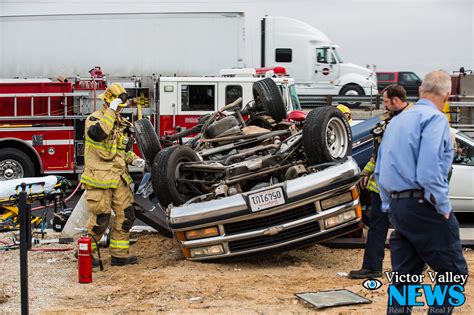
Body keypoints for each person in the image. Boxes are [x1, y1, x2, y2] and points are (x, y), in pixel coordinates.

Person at [375, 71, 468, 315]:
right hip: (424, 204)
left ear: (421, 91)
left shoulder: (397, 122)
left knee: (405, 278)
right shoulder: (435, 120)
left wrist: (390, 206)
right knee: (453, 274)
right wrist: (444, 208)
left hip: (399, 207)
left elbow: (380, 169)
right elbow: (429, 172)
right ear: (447, 95)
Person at [348, 84, 412, 279]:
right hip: (385, 185)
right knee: (387, 226)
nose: (383, 105)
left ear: (395, 100)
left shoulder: (406, 122)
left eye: (385, 101)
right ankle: (375, 266)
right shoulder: (395, 120)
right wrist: (365, 173)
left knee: (400, 227)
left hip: (397, 185)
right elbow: (379, 154)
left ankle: (377, 267)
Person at [81, 82, 145, 266]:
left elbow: (121, 150)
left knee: (127, 216)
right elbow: (99, 134)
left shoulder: (120, 123)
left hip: (118, 178)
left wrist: (134, 159)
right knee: (101, 219)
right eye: (117, 106)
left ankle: (119, 256)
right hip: (100, 179)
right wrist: (111, 112)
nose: (120, 110)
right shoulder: (94, 120)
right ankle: (85, 254)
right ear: (108, 102)